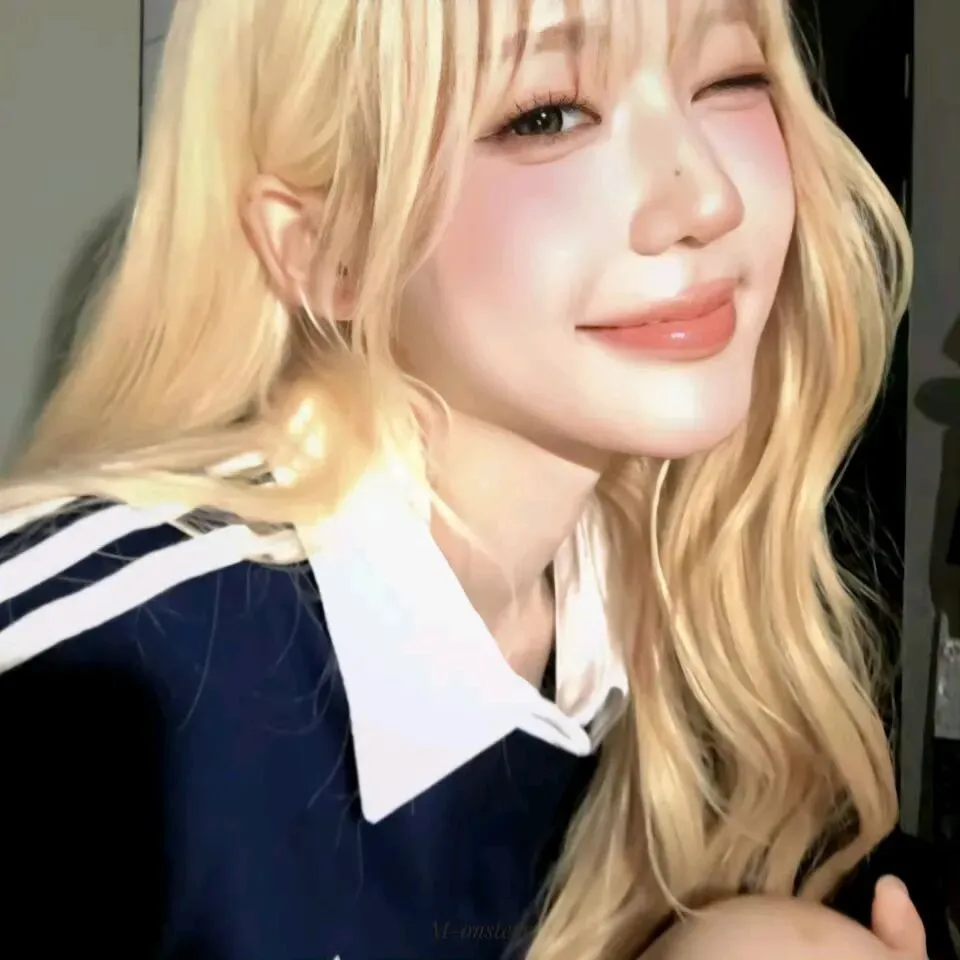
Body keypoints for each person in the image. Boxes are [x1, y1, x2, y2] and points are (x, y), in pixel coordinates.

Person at [0, 0, 950, 958]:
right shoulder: (104, 683)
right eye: (548, 115)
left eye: (729, 79)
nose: (706, 199)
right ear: (325, 247)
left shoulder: (705, 645)